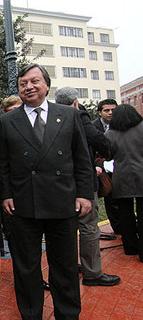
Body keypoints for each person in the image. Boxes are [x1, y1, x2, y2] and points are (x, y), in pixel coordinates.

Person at [0, 64, 93, 319]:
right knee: (26, 268)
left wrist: (84, 194)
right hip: (23, 204)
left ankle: (68, 314)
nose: (28, 87)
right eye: (23, 83)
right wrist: (6, 194)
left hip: (63, 203)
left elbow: (82, 159)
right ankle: (31, 314)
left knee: (64, 266)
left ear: (47, 85)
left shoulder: (69, 115)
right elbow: (3, 163)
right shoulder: (7, 121)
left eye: (34, 81)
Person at [55, 87, 121, 286]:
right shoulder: (79, 115)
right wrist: (105, 154)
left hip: (60, 183)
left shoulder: (51, 116)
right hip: (82, 182)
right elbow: (99, 140)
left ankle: (69, 266)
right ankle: (92, 273)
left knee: (65, 226)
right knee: (88, 227)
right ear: (75, 102)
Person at [105, 104, 143, 261]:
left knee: (125, 214)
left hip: (121, 176)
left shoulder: (110, 134)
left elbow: (107, 155)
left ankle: (130, 247)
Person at [92, 99, 121, 234]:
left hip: (119, 167)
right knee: (108, 198)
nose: (110, 113)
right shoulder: (92, 127)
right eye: (106, 110)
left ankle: (122, 228)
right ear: (99, 112)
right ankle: (117, 227)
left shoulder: (122, 126)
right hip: (101, 169)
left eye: (113, 110)